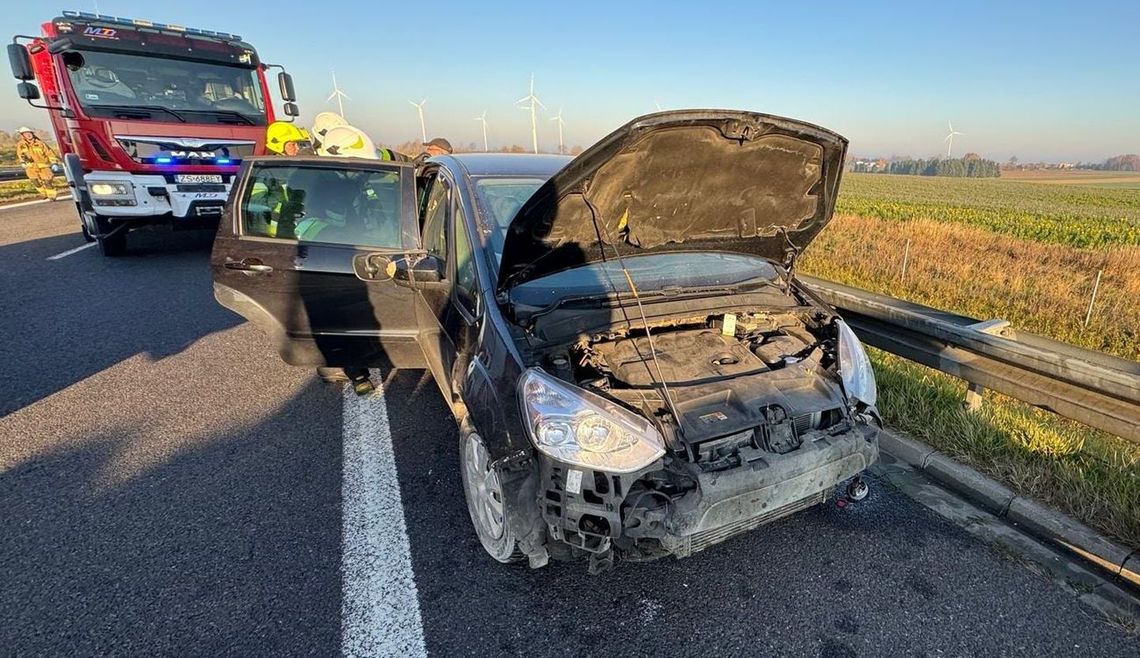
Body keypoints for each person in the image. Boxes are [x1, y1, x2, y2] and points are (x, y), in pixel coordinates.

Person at [16, 128, 61, 201]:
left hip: (44, 166)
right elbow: (20, 154)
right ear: (22, 135)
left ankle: (52, 196)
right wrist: (22, 162)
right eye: (25, 133)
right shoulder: (21, 145)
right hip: (31, 167)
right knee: (35, 181)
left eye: (29, 133)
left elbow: (49, 153)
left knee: (47, 181)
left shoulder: (40, 143)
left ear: (32, 133)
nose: (28, 135)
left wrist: (54, 163)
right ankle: (43, 193)